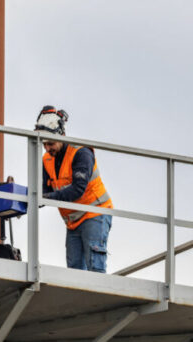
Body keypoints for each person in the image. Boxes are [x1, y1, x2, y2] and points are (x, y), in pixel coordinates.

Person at [35, 106, 113, 272]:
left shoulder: (81, 153)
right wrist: (28, 198)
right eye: (45, 144)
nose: (48, 148)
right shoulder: (47, 160)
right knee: (74, 271)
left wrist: (46, 197)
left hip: (94, 212)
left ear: (62, 136)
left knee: (95, 267)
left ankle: (97, 297)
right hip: (72, 222)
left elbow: (78, 189)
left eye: (51, 143)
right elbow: (44, 192)